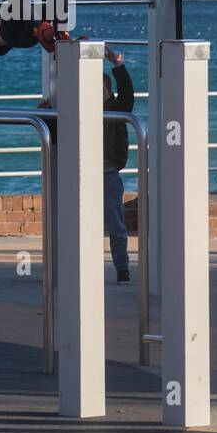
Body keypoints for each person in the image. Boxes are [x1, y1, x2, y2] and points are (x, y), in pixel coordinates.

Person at [102, 48, 135, 283]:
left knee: (116, 224)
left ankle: (122, 268)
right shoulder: (79, 110)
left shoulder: (117, 108)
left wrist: (117, 66)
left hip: (108, 174)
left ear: (108, 90)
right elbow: (58, 135)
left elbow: (128, 94)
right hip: (83, 175)